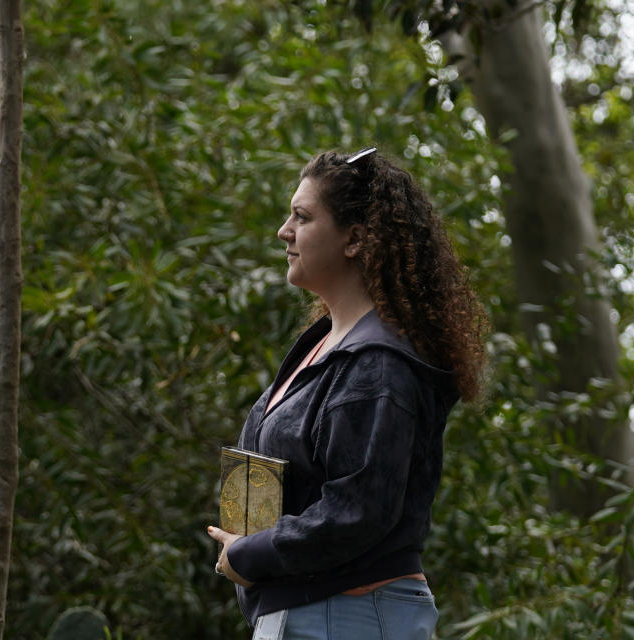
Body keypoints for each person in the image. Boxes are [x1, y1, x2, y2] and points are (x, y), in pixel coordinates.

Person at [207, 147, 488, 639]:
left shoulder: (377, 363)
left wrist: (251, 553)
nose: (284, 231)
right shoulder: (323, 346)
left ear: (355, 239)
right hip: (311, 613)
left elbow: (357, 511)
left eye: (302, 216)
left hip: (350, 615)